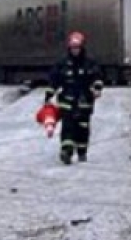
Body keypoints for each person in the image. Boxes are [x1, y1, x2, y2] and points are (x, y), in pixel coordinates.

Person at [45, 30, 105, 164]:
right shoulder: (62, 64)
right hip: (67, 102)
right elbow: (53, 80)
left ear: (82, 47)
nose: (75, 50)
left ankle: (82, 152)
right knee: (68, 127)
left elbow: (98, 77)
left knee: (82, 128)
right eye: (72, 48)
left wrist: (97, 88)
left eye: (77, 47)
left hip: (84, 102)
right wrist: (49, 95)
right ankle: (66, 152)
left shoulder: (90, 63)